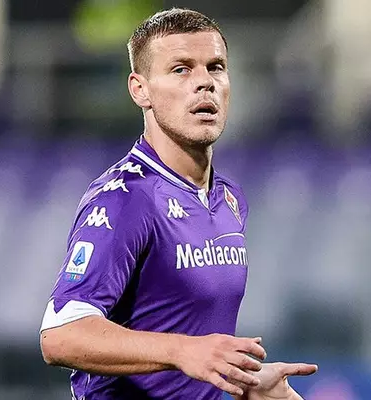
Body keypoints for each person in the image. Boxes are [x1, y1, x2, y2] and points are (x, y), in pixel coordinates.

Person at [39, 8, 317, 400]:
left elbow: (193, 342)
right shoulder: (126, 199)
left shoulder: (229, 198)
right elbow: (60, 335)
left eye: (216, 67)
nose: (205, 82)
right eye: (181, 69)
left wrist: (246, 382)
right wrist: (183, 351)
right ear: (140, 90)